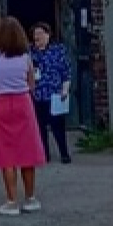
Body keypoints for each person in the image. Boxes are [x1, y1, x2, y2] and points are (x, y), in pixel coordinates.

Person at [0, 17, 46, 215]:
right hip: (22, 102)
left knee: (6, 154)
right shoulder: (25, 58)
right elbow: (31, 84)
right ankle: (30, 198)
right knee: (26, 150)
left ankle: (11, 201)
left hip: (0, 103)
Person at [29, 21, 73, 164]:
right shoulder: (29, 52)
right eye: (35, 34)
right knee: (40, 127)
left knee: (58, 126)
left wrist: (65, 89)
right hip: (37, 95)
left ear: (48, 35)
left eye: (41, 34)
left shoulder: (58, 50)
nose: (37, 37)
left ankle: (64, 153)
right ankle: (44, 154)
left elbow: (66, 72)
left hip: (55, 94)